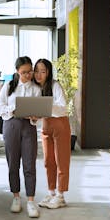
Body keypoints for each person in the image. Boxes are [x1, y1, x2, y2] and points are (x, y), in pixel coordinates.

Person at [0, 56, 41, 218]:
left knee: (29, 164)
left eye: (30, 71)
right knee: (13, 163)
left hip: (29, 126)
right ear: (17, 71)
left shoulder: (36, 88)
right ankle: (16, 197)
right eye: (24, 72)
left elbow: (39, 110)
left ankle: (30, 200)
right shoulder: (9, 86)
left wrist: (36, 116)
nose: (28, 75)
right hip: (11, 125)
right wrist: (13, 109)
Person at [33, 58, 71, 209]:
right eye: (36, 71)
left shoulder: (55, 85)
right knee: (48, 161)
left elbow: (63, 107)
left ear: (48, 72)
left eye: (43, 71)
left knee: (61, 161)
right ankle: (52, 192)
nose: (39, 75)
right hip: (46, 126)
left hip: (60, 124)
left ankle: (61, 195)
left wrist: (45, 106)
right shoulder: (35, 88)